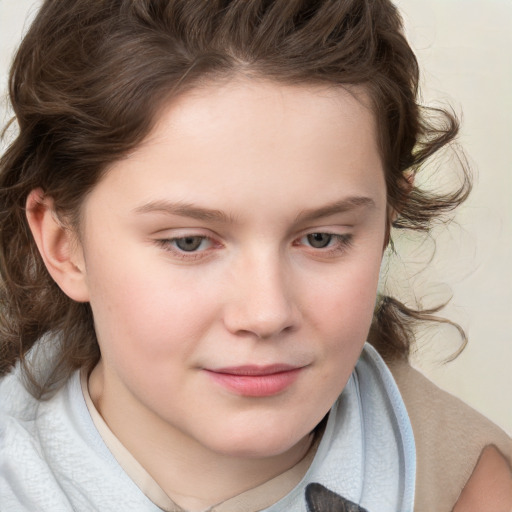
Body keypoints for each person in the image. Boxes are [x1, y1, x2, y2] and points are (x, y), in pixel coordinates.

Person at [0, 1, 510, 511]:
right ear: (64, 245)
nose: (266, 314)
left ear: (385, 227)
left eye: (322, 238)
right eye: (189, 242)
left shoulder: (470, 489)